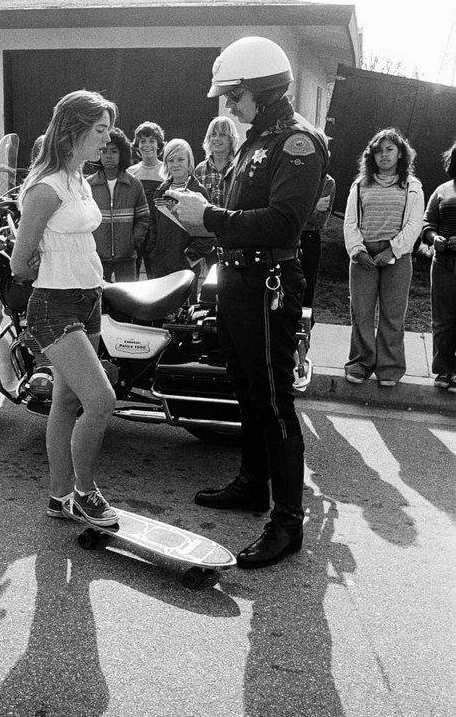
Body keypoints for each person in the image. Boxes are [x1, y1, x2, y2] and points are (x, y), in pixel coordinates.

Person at [167, 36, 328, 569]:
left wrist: (209, 218)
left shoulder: (298, 143)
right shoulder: (256, 138)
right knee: (246, 390)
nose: (227, 105)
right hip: (237, 281)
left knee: (275, 401)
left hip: (268, 286)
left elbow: (284, 222)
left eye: (233, 95)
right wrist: (197, 217)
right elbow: (241, 218)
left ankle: (287, 523)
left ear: (258, 89)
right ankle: (252, 485)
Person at [10, 90, 119, 526]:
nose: (107, 140)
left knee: (66, 402)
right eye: (99, 130)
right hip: (54, 304)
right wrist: (44, 261)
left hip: (87, 297)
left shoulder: (79, 179)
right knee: (101, 400)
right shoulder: (46, 188)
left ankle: (58, 498)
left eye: (109, 130)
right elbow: (20, 264)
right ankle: (84, 492)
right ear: (73, 129)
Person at [343, 128, 424, 387]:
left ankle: (389, 368)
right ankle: (360, 364)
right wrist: (358, 250)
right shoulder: (360, 185)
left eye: (390, 150)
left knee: (392, 314)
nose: (384, 155)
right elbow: (350, 222)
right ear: (372, 156)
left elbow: (414, 225)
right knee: (362, 312)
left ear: (400, 154)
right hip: (363, 256)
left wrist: (393, 250)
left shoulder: (412, 186)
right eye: (379, 151)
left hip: (397, 257)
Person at [147, 138, 216, 290]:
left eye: (180, 159)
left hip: (186, 269)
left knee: (184, 312)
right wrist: (153, 253)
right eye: (171, 160)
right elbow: (153, 226)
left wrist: (190, 257)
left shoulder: (198, 192)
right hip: (160, 267)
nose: (176, 164)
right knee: (160, 311)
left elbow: (210, 234)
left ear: (189, 161)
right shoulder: (160, 191)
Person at [87, 127, 149, 282]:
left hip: (126, 259)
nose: (109, 156)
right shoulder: (88, 185)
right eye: (104, 151)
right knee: (99, 299)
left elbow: (143, 218)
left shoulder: (134, 184)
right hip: (97, 257)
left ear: (122, 153)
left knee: (128, 302)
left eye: (114, 151)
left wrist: (133, 242)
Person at [421, 141, 456, 392]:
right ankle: (443, 370)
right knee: (442, 320)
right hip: (443, 264)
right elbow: (427, 223)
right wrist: (435, 239)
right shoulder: (442, 190)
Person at [128, 121, 165, 277]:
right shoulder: (130, 172)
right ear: (137, 145)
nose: (147, 145)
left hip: (157, 234)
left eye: (152, 141)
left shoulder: (166, 170)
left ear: (159, 145)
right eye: (143, 141)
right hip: (135, 232)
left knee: (155, 277)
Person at [300, 172, 336, 322]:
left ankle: (303, 336)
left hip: (308, 238)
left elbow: (318, 220)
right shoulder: (286, 173)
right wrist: (313, 205)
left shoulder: (327, 182)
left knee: (305, 289)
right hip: (284, 237)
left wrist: (295, 207)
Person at [194, 116, 240, 207]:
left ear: (231, 139)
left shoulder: (238, 167)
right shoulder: (200, 170)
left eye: (222, 134)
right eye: (213, 134)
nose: (216, 138)